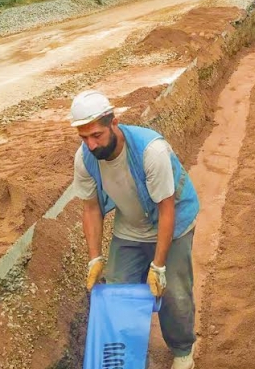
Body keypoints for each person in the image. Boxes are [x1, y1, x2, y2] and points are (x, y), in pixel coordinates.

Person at [70, 90, 199, 369]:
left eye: (96, 136)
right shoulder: (85, 159)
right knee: (118, 292)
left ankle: (182, 350)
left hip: (172, 224)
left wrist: (159, 266)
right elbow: (91, 208)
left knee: (173, 292)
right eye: (84, 138)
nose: (90, 145)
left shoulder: (151, 151)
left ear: (113, 124)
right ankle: (132, 354)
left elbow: (166, 209)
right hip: (130, 227)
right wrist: (95, 257)